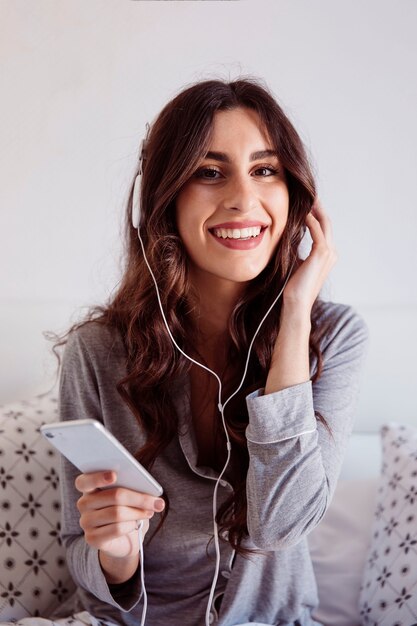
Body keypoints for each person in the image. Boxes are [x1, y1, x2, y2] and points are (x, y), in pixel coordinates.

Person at [42, 79, 369, 626]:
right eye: (209, 172)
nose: (244, 198)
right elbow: (84, 555)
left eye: (265, 170)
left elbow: (280, 527)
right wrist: (116, 553)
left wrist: (294, 314)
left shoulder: (333, 337)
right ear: (163, 199)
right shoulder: (96, 351)